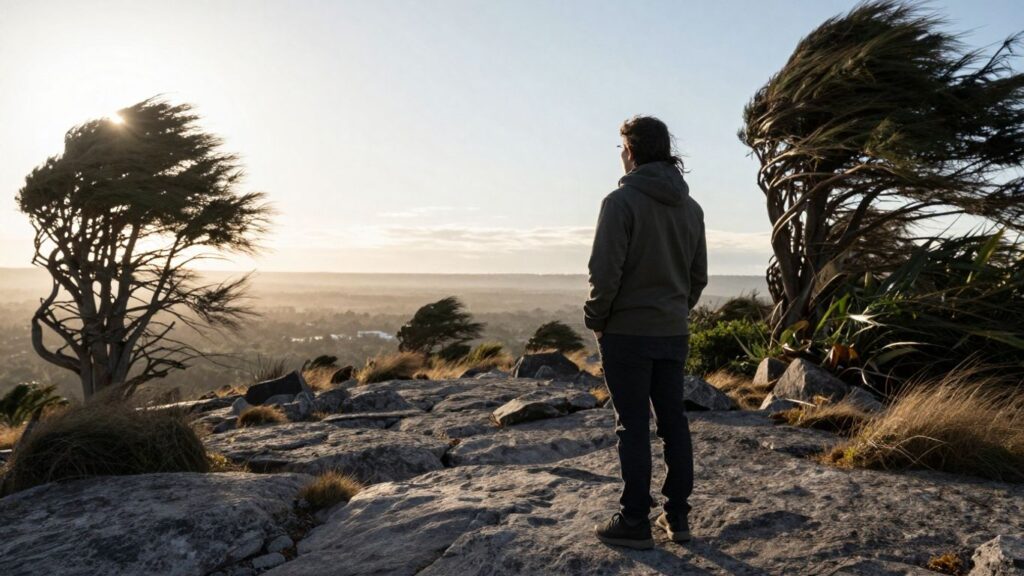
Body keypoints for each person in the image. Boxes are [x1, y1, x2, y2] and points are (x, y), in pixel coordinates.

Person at [587, 115, 707, 550]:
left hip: (626, 333)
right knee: (673, 420)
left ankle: (635, 519)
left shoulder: (620, 204)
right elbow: (698, 277)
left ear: (632, 151)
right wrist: (674, 312)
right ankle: (677, 517)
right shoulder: (691, 209)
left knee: (633, 425)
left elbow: (605, 273)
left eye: (622, 147)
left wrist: (596, 318)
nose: (621, 155)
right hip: (672, 333)